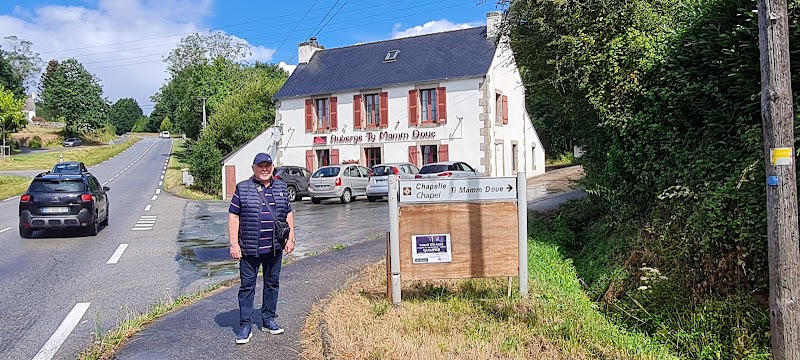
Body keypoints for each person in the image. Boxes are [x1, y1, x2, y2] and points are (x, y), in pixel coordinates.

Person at [228, 153, 296, 344]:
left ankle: (268, 319)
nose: (264, 169)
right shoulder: (243, 188)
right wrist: (234, 244)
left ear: (272, 167)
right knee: (247, 287)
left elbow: (288, 214)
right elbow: (234, 216)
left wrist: (291, 238)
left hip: (274, 248)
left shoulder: (281, 187)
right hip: (249, 249)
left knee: (272, 284)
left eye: (267, 165)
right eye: (260, 166)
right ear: (253, 168)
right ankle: (245, 325)